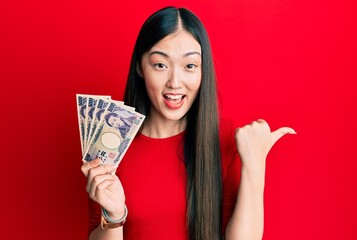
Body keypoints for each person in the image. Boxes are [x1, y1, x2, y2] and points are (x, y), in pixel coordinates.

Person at [81, 6, 295, 240]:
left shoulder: (226, 140)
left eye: (190, 66)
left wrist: (255, 164)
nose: (175, 82)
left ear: (203, 70)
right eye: (160, 65)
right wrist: (114, 215)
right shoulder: (111, 142)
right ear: (140, 67)